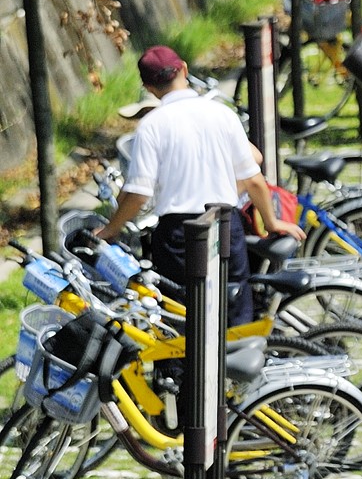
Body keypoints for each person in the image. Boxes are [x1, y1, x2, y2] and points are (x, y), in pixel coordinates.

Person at [95, 45, 282, 322]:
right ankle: (240, 362)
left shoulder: (151, 125)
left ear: (148, 87)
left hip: (178, 236)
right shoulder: (221, 114)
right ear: (183, 68)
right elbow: (253, 177)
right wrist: (272, 222)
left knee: (186, 317)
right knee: (234, 306)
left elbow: (138, 193)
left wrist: (111, 229)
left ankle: (192, 365)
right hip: (225, 225)